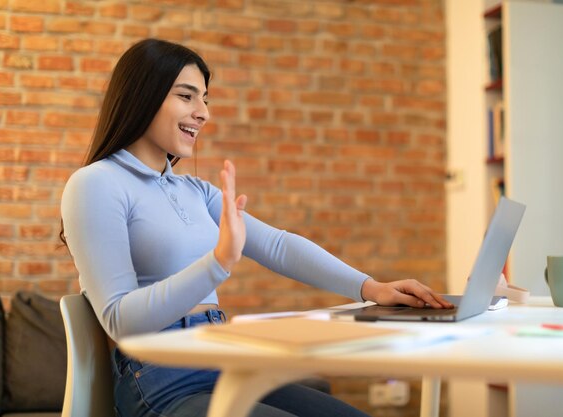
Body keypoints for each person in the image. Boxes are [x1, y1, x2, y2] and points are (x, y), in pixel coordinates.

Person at [60, 38, 452, 417]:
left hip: (222, 358)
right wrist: (218, 261)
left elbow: (278, 246)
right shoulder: (95, 184)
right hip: (162, 379)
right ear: (142, 97)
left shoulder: (195, 190)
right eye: (186, 96)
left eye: (205, 99)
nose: (203, 112)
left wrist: (372, 288)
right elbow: (119, 319)